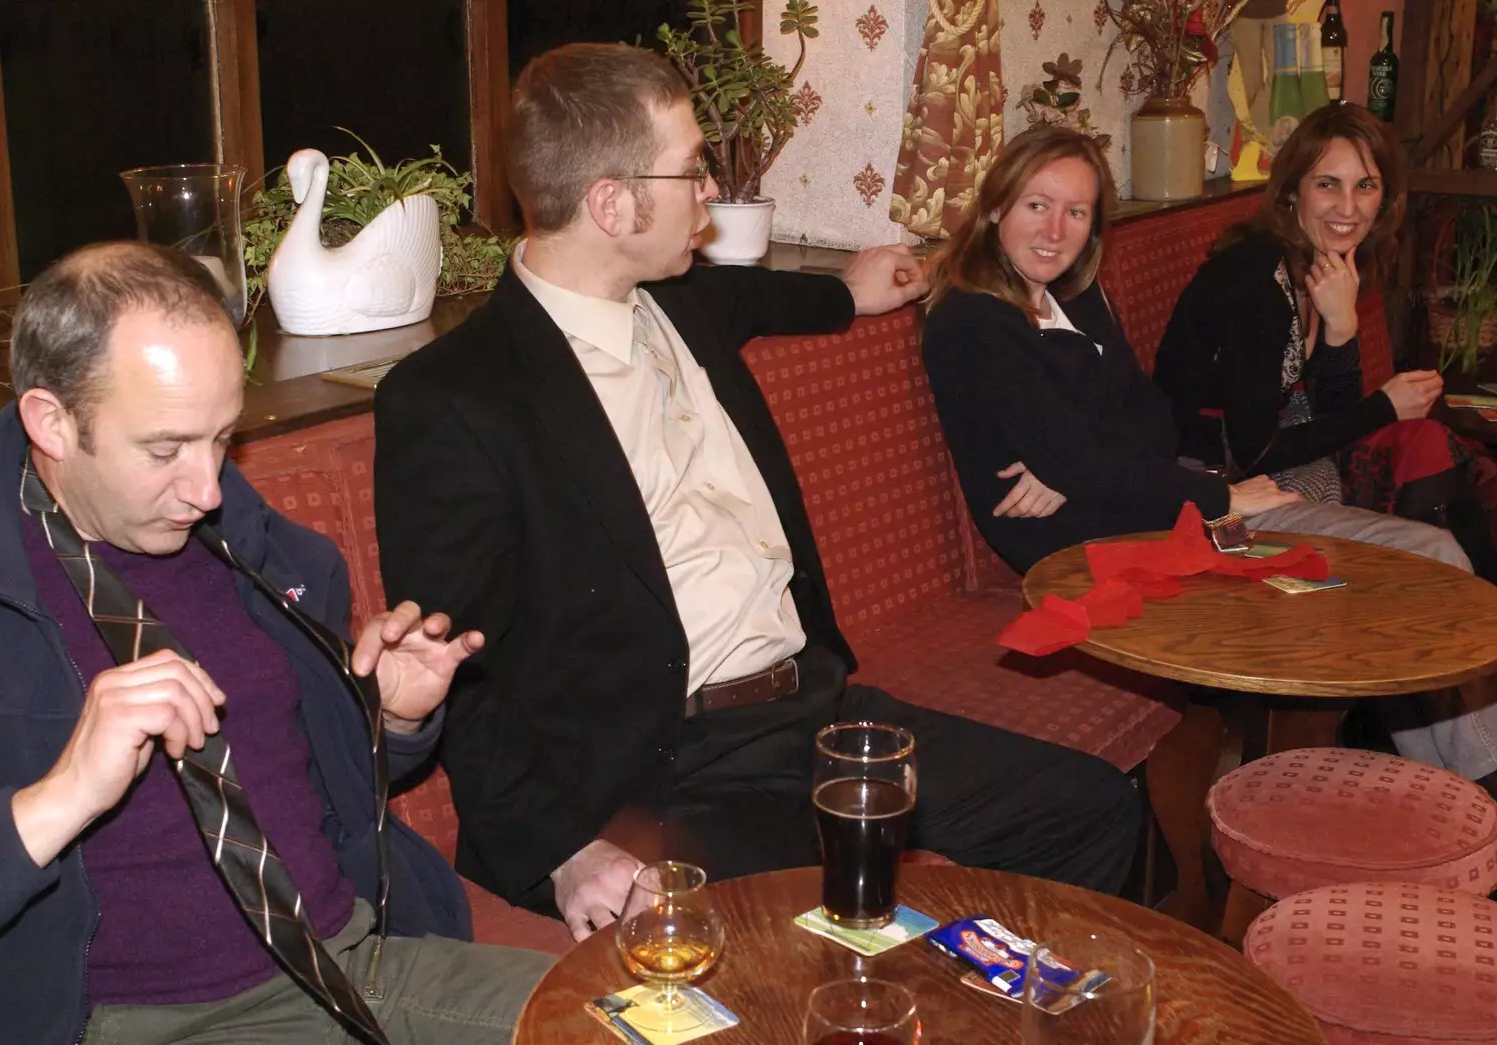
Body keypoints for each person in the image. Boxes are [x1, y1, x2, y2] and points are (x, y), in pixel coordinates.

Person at [374, 42, 1144, 942]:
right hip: (666, 768)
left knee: (1090, 809)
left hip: (815, 712)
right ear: (613, 204)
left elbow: (766, 298)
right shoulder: (455, 399)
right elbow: (453, 660)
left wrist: (852, 293)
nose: (710, 191)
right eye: (693, 169)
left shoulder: (685, 301)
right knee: (828, 951)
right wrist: (563, 847)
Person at [0, 242, 551, 1045]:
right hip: (140, 1021)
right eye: (166, 449)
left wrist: (386, 715)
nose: (207, 487)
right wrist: (61, 792)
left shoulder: (255, 547)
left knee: (659, 1019)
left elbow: (319, 782)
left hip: (353, 964)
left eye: (222, 438)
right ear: (51, 422)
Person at [921, 124, 1497, 796]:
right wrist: (1208, 495)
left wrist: (1072, 462)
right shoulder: (974, 319)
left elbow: (1152, 420)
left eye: (1076, 212)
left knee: (1431, 562)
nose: (1055, 229)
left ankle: (1454, 794)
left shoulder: (1070, 294)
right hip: (1103, 546)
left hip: (1161, 510)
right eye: (1036, 205)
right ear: (996, 207)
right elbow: (1108, 450)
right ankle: (1463, 790)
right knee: (1424, 562)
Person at [1154, 103, 1497, 582]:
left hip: (1276, 475)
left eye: (1365, 186)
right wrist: (1385, 406)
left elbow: (1332, 415)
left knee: (1436, 460)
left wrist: (1340, 329)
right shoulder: (1252, 282)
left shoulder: (1326, 269)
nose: (1348, 208)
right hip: (1212, 497)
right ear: (1293, 190)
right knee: (1433, 552)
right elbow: (1257, 453)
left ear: (1385, 199)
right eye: (1327, 184)